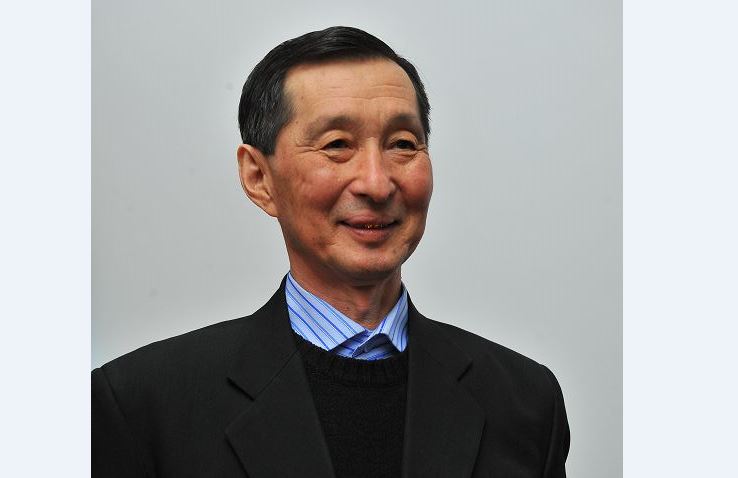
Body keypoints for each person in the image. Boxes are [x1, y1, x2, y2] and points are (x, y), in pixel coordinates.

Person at [92, 26, 570, 477]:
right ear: (258, 177)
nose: (376, 183)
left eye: (403, 144)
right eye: (337, 144)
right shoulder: (141, 404)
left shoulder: (525, 402)